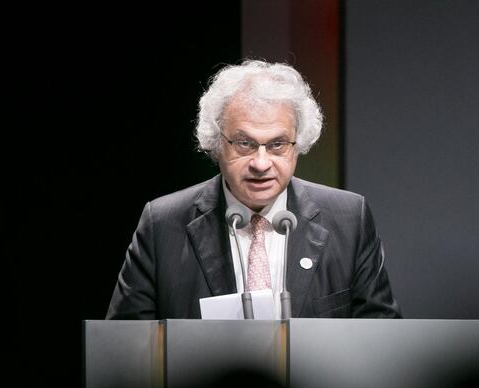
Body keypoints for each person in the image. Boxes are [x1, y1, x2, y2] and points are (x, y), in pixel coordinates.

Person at [107, 60, 400, 319]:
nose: (261, 163)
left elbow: (383, 342)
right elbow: (125, 350)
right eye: (244, 143)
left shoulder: (349, 219)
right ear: (217, 142)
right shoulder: (162, 225)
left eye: (277, 145)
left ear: (298, 144)